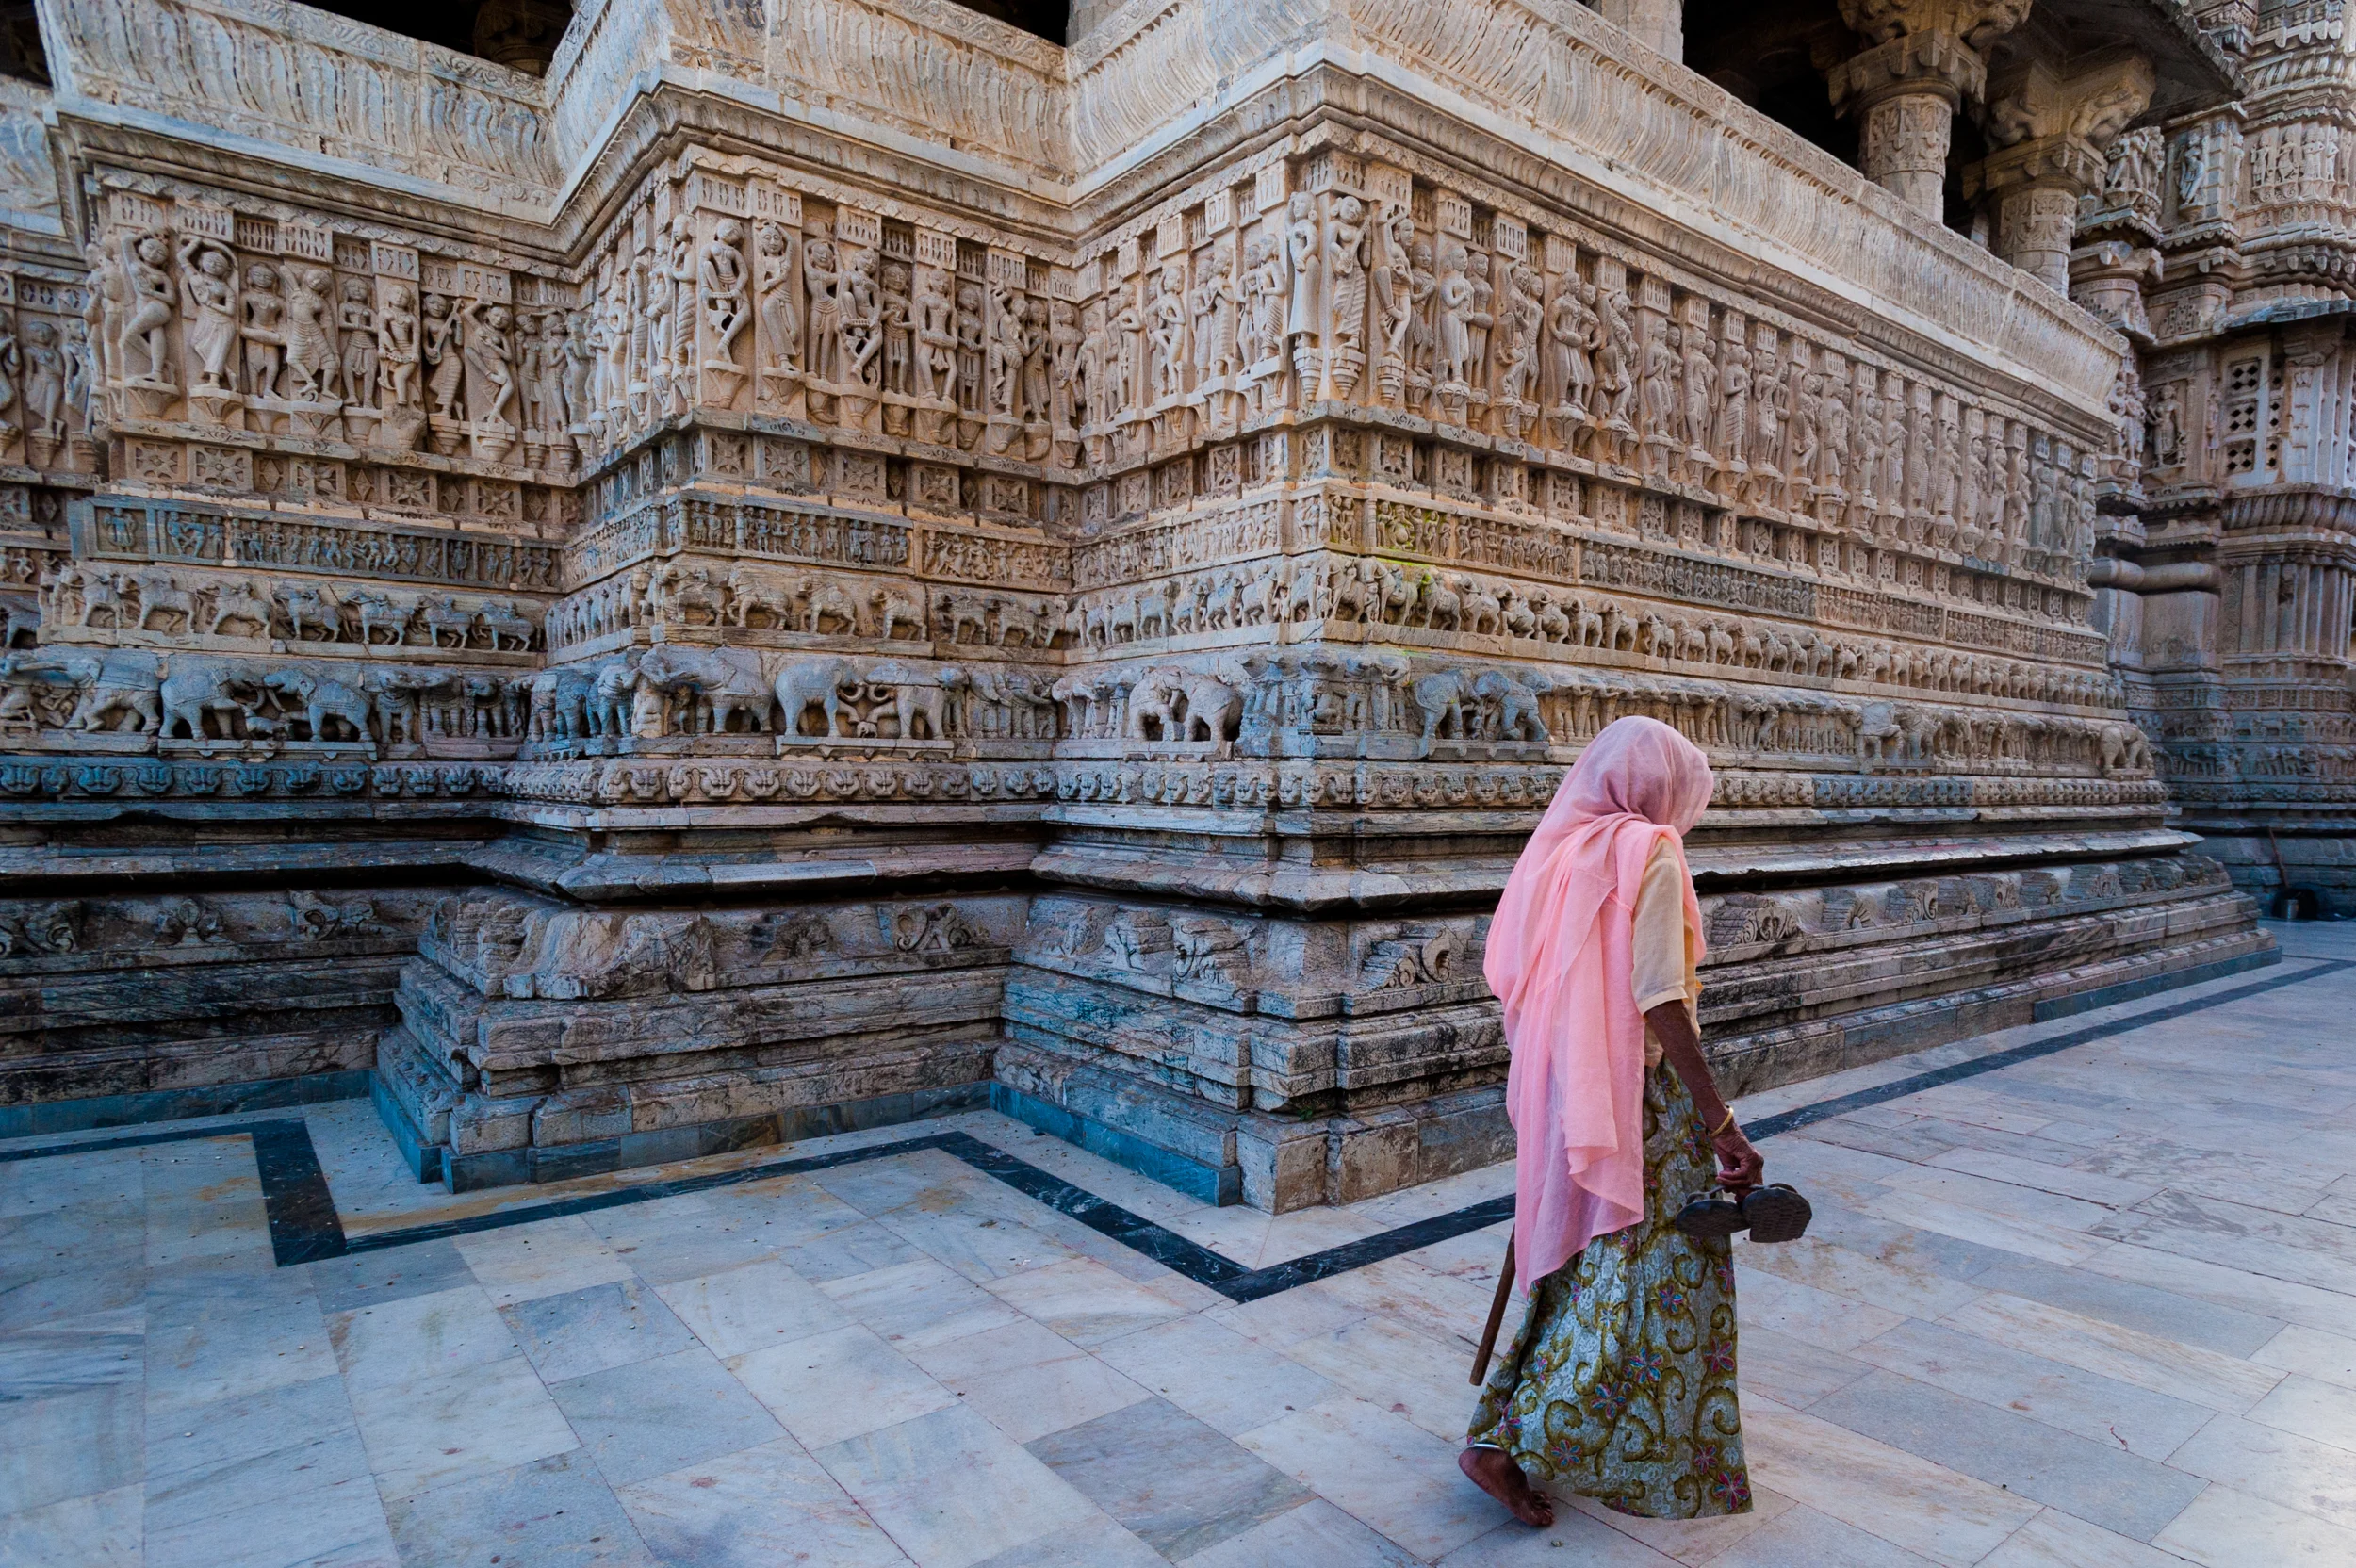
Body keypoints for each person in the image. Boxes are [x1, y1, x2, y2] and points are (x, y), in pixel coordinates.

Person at [1461, 715, 1761, 1527]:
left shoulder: (1563, 850)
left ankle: (1509, 1430)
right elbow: (1658, 991)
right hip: (1633, 1095)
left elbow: (1516, 976)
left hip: (1565, 1085)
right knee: (1660, 1273)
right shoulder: (1648, 850)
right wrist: (1718, 1118)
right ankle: (1520, 1438)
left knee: (1591, 1261)